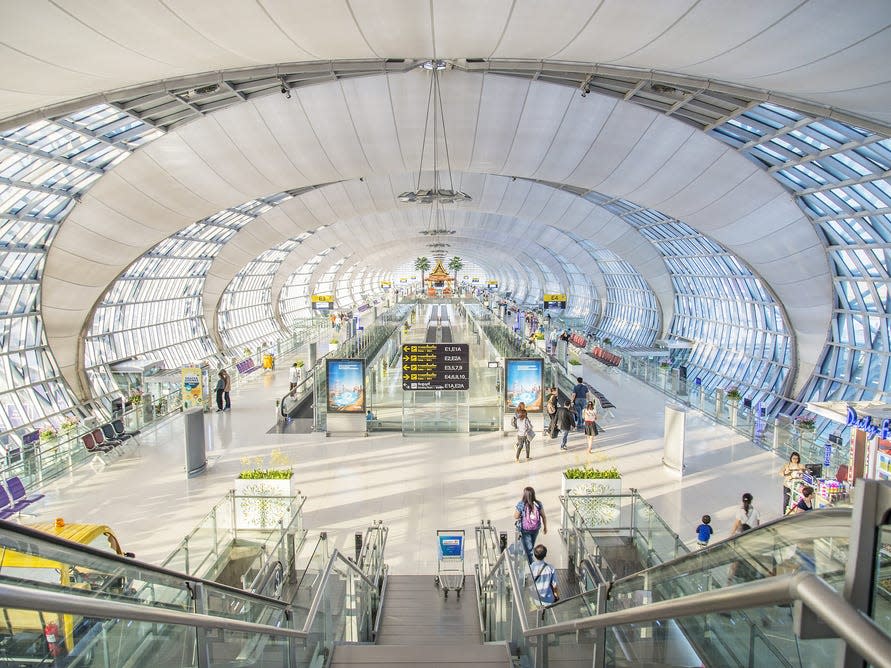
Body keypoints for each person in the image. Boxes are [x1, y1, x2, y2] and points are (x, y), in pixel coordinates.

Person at [514, 487, 547, 563]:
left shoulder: (521, 504)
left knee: (529, 550)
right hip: (535, 528)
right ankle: (529, 559)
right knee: (530, 545)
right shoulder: (538, 504)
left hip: (525, 529)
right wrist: (545, 527)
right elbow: (544, 516)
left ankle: (531, 567)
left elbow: (516, 516)